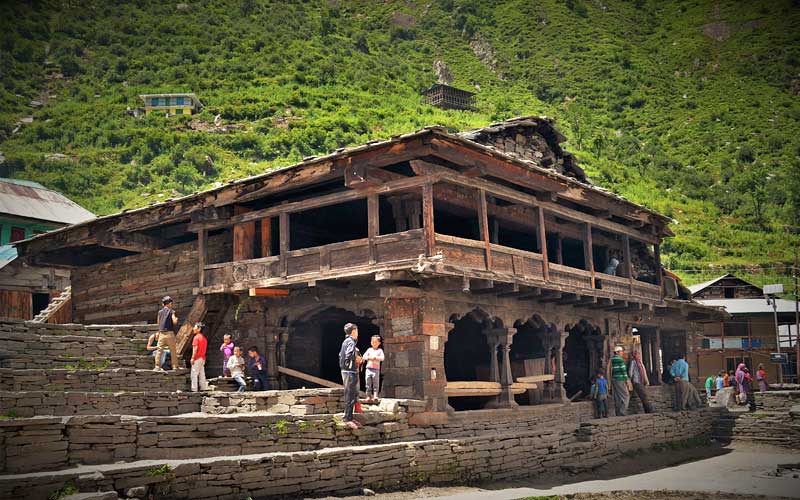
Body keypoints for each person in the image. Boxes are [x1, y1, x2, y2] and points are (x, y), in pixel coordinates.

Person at [339, 322, 362, 429]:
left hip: (346, 371)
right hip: (349, 371)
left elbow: (341, 355)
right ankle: (347, 419)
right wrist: (356, 359)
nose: (357, 333)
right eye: (356, 330)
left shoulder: (346, 341)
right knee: (350, 395)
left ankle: (350, 417)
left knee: (351, 395)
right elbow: (349, 354)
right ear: (353, 331)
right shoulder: (351, 341)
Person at [155, 296, 179, 371]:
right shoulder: (172, 312)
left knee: (159, 350)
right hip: (170, 333)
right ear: (170, 303)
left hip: (162, 333)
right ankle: (175, 366)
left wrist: (158, 332)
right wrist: (176, 319)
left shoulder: (160, 312)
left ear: (163, 304)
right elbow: (174, 322)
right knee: (173, 350)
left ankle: (157, 366)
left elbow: (158, 323)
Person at [608, 346, 630, 416]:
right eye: (621, 351)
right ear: (617, 352)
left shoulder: (612, 359)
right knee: (626, 396)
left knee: (617, 397)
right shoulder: (620, 360)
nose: (622, 353)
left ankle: (618, 413)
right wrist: (627, 380)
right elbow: (623, 371)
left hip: (614, 379)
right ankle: (622, 412)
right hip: (620, 379)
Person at [363, 335, 385, 403]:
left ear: (379, 343)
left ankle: (375, 396)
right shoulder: (369, 350)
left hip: (376, 369)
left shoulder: (380, 350)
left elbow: (382, 358)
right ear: (371, 342)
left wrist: (375, 357)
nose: (374, 343)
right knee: (368, 383)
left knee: (376, 383)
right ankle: (368, 396)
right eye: (373, 342)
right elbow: (364, 356)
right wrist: (369, 357)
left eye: (376, 342)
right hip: (368, 369)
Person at [190, 322, 208, 392]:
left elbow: (195, 348)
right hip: (202, 358)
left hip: (197, 358)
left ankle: (194, 389)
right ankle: (203, 388)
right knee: (202, 373)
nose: (193, 328)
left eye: (195, 327)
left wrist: (193, 358)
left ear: (199, 329)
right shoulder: (204, 338)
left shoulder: (196, 337)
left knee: (194, 374)